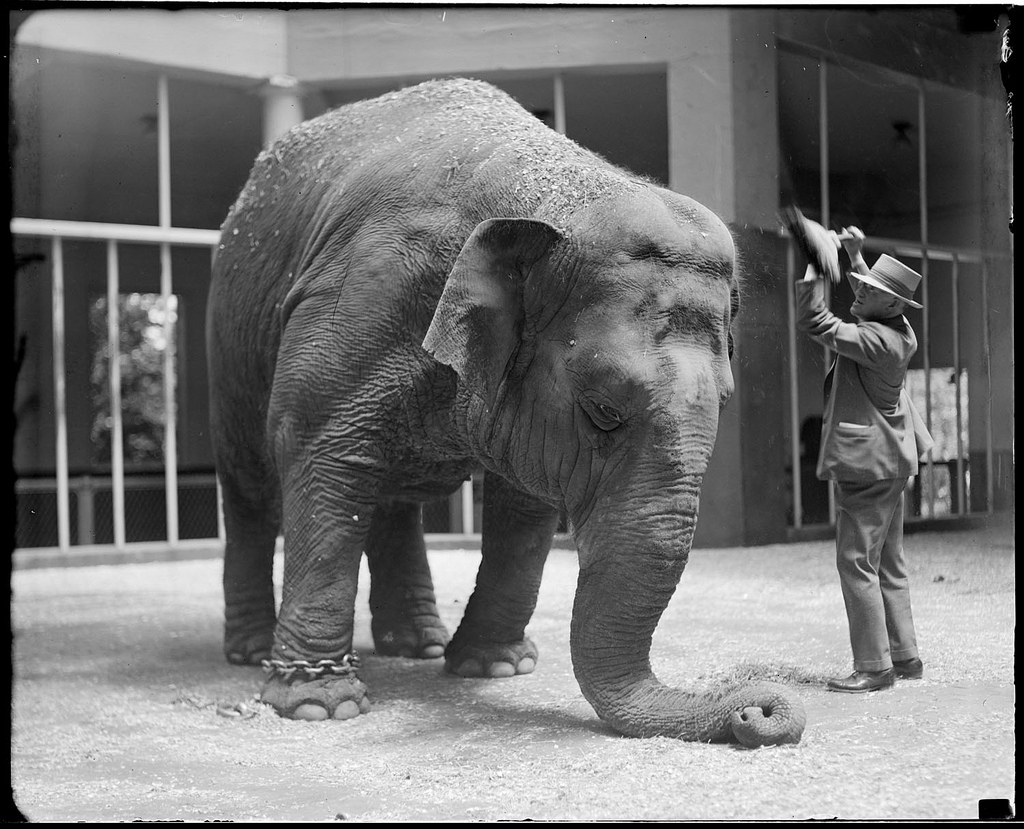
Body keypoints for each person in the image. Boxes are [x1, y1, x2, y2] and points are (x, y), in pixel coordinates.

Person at [795, 224, 934, 693]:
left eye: (871, 290)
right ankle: (905, 655)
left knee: (856, 561)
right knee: (889, 564)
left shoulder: (876, 340)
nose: (859, 293)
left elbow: (816, 322)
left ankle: (874, 667)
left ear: (891, 304)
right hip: (893, 461)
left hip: (870, 466)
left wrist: (818, 263)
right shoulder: (900, 329)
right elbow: (869, 297)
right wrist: (854, 259)